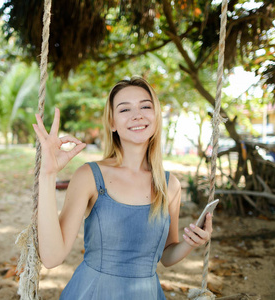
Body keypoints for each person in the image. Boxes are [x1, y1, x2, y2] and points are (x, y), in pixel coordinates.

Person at [33, 76, 213, 299]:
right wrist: (48, 175)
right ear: (112, 123)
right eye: (124, 109)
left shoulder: (169, 185)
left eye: (145, 106)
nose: (137, 115)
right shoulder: (89, 176)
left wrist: (190, 242)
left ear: (156, 116)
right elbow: (52, 258)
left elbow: (166, 257)